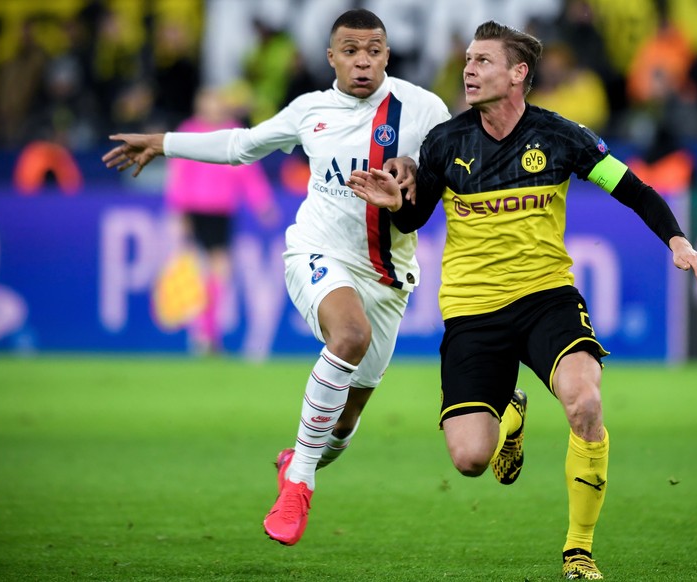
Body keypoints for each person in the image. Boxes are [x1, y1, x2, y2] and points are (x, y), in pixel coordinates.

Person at [348, 20, 697, 580]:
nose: (469, 70)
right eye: (468, 61)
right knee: (470, 459)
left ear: (518, 73)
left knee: (585, 403)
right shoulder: (446, 141)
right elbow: (415, 218)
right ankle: (511, 412)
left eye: (483, 61)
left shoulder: (561, 136)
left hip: (546, 297)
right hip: (473, 310)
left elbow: (634, 189)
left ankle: (578, 550)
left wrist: (678, 241)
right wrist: (394, 205)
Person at [102, 9, 450, 547]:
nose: (363, 61)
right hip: (317, 251)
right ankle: (300, 483)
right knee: (349, 335)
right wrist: (165, 142)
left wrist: (412, 169)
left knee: (343, 424)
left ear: (387, 54)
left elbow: (443, 174)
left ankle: (299, 460)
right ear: (331, 57)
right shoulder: (310, 110)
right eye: (351, 50)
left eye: (373, 50)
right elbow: (241, 145)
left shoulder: (425, 109)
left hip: (388, 276)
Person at [162, 86, 279, 353]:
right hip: (194, 210)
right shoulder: (189, 131)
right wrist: (177, 211)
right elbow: (178, 174)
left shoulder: (233, 132)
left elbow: (248, 171)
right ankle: (203, 332)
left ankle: (207, 333)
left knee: (218, 273)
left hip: (222, 211)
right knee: (203, 271)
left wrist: (262, 202)